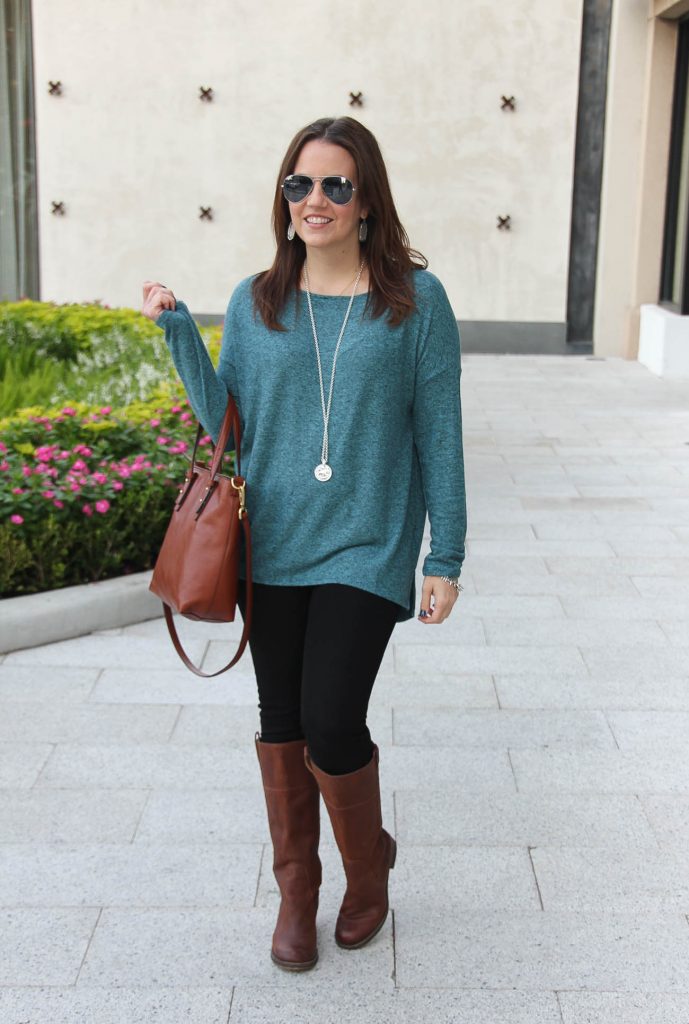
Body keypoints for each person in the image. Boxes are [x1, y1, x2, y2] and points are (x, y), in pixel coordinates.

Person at [142, 115, 466, 973]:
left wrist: (445, 555)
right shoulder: (259, 299)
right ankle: (299, 893)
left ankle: (367, 879)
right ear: (282, 200)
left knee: (330, 720)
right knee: (280, 721)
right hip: (273, 542)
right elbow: (232, 430)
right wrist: (180, 337)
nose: (313, 200)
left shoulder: (415, 303)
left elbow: (440, 433)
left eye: (334, 185)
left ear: (366, 203)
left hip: (367, 542)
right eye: (298, 184)